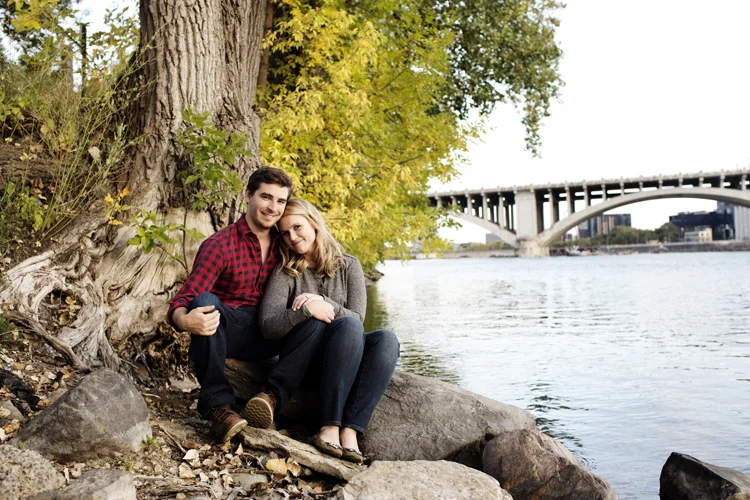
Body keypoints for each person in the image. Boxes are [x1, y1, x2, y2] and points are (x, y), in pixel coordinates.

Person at [248, 198, 399, 464]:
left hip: (346, 356)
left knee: (386, 339)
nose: (292, 237)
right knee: (347, 324)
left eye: (297, 227)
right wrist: (305, 311)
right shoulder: (286, 271)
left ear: (314, 223)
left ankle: (351, 430)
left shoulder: (349, 266)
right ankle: (329, 427)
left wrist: (322, 302)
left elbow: (358, 317)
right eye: (285, 233)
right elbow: (268, 326)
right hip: (309, 360)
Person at [167, 166, 294, 443]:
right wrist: (184, 320)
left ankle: (271, 397)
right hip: (230, 330)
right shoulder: (220, 244)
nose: (273, 208)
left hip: (270, 333)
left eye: (280, 201)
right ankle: (218, 408)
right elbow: (185, 298)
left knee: (310, 316)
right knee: (204, 302)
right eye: (266, 197)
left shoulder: (287, 245)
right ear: (248, 195)